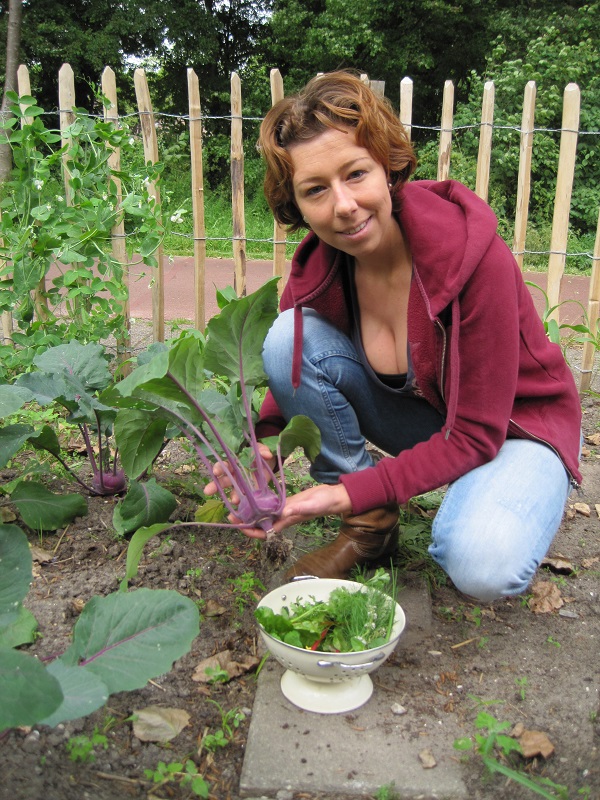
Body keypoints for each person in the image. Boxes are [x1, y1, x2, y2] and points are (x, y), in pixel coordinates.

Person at [207, 70, 582, 603]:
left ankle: (495, 498)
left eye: (355, 173)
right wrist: (263, 447)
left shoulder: (471, 257)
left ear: (386, 166)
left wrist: (343, 489)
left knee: (482, 565)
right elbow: (292, 370)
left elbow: (477, 433)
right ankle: (370, 526)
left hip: (517, 432)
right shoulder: (317, 267)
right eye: (316, 190)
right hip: (431, 419)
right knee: (287, 337)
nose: (342, 205)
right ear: (296, 204)